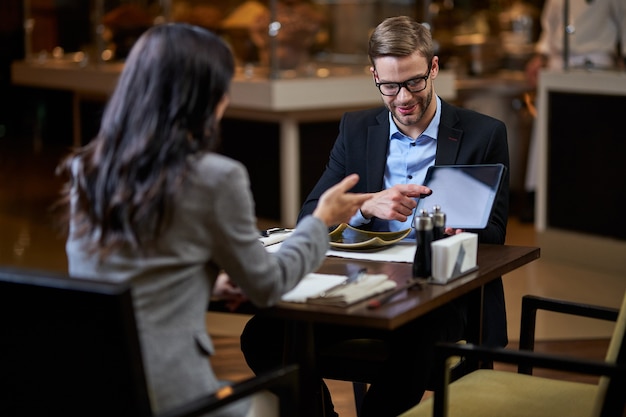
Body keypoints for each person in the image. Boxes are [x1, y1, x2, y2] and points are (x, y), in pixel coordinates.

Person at [56, 23, 370, 417]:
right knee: (274, 405)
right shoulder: (214, 177)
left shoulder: (88, 168)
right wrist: (321, 220)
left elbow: (133, 268)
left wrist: (202, 279)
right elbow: (268, 286)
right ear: (204, 97)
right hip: (175, 395)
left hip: (92, 385)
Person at [240, 15, 510, 417]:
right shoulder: (356, 129)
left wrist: (452, 229)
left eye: (414, 81)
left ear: (433, 68)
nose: (403, 98)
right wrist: (365, 205)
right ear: (373, 76)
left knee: (414, 341)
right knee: (262, 337)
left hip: (438, 298)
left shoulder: (482, 133)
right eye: (389, 86)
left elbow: (495, 232)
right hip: (363, 291)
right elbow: (312, 214)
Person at [522, 0, 625, 221]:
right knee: (549, 137)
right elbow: (550, 24)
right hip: (558, 67)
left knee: (590, 141)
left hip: (597, 67)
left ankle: (589, 201)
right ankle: (540, 198)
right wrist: (541, 56)